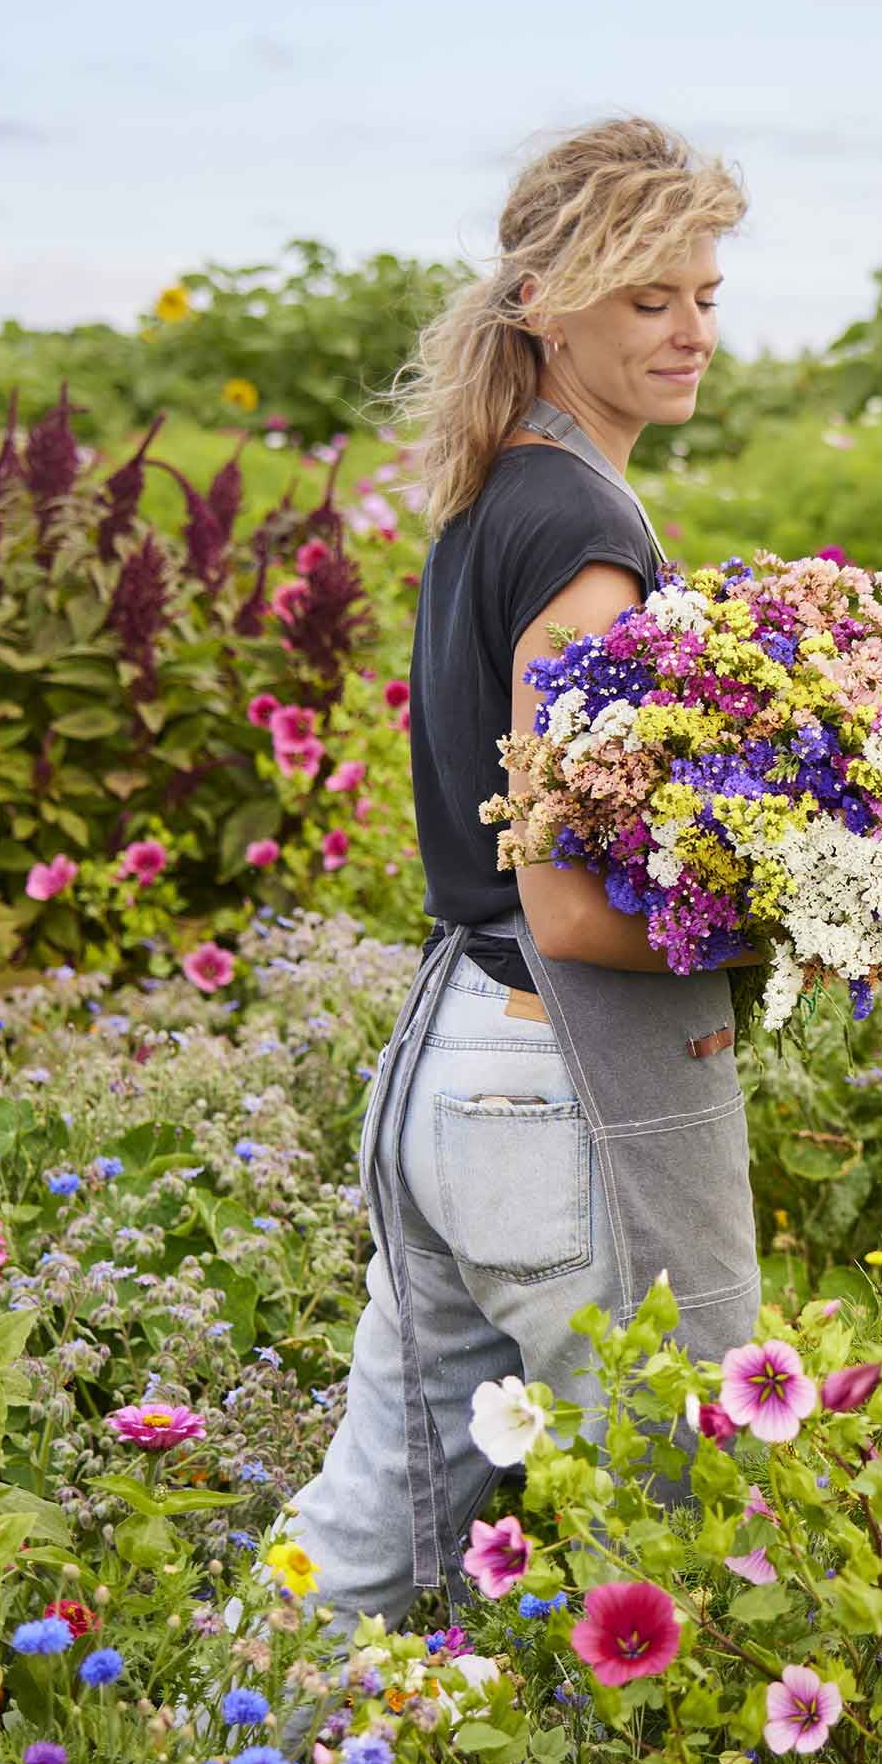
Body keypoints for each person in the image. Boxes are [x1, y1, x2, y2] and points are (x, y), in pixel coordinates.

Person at [285, 114, 766, 1637]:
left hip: (455, 1061)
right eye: (651, 298)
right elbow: (561, 896)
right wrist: (810, 907)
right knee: (674, 1521)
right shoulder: (582, 535)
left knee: (381, 1520)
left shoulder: (502, 491)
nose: (693, 330)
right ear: (550, 301)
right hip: (552, 1089)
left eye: (705, 294)